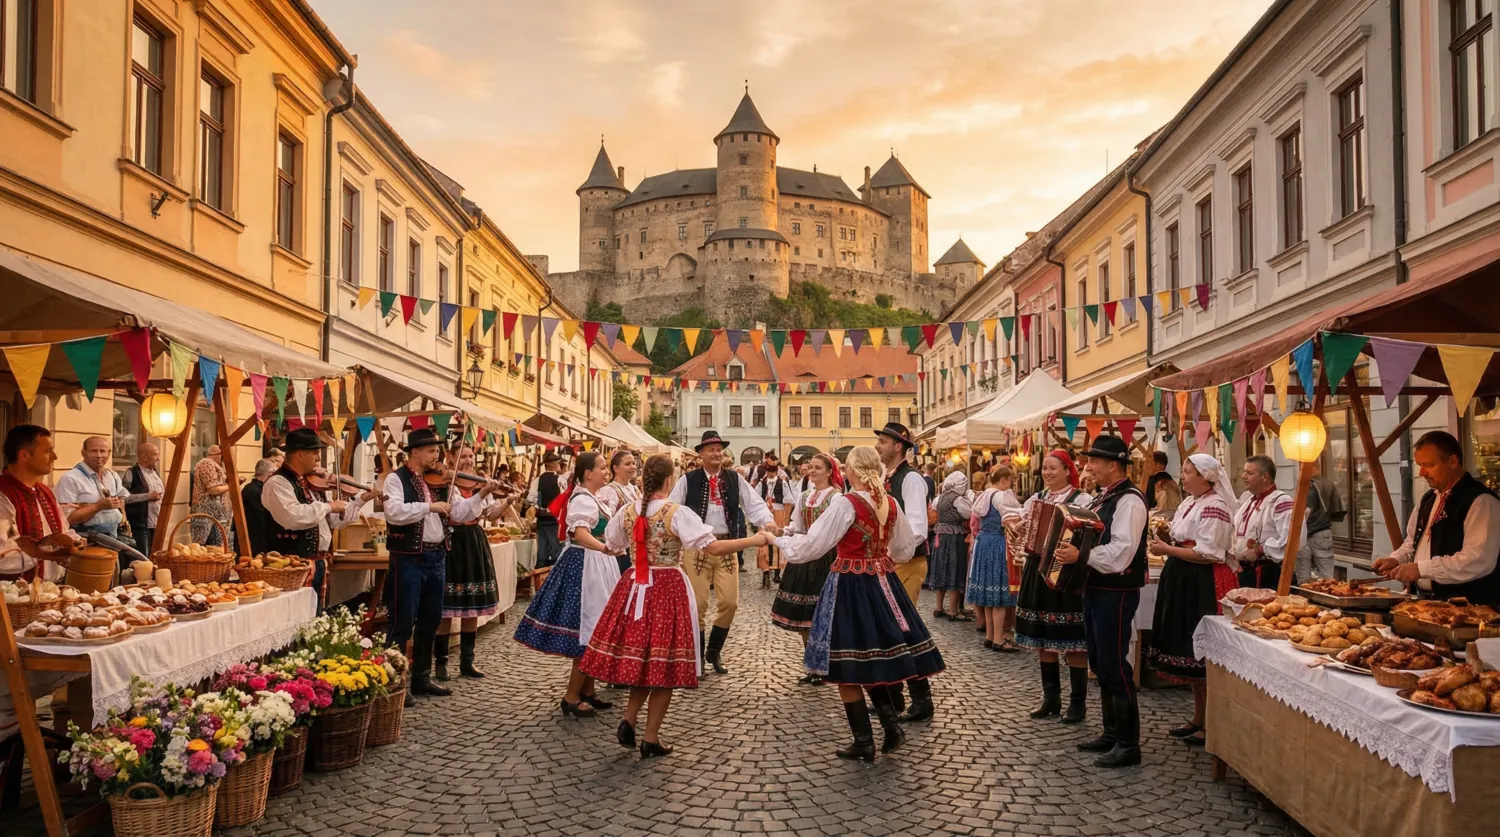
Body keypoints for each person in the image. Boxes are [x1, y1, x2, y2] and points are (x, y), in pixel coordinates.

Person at [583, 454, 769, 758]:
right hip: (667, 588)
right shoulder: (676, 513)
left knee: (643, 659)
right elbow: (713, 546)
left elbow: (611, 546)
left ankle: (629, 720)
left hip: (635, 586)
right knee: (664, 664)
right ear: (670, 480)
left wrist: (637, 550)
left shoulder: (629, 511)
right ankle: (651, 738)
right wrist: (752, 541)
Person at [774, 445, 945, 761]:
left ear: (852, 471)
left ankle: (865, 740)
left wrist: (777, 540)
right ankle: (891, 727)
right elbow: (906, 549)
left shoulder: (846, 503)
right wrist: (880, 559)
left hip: (850, 585)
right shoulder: (889, 503)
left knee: (844, 663)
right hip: (883, 583)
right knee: (869, 660)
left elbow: (810, 547)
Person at [1056, 435, 1149, 768]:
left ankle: (1128, 743)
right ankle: (1112, 733)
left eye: (1094, 461)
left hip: (1117, 591)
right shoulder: (1105, 497)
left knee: (1114, 664)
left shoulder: (1130, 501)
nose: (1089, 466)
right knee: (1099, 661)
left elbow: (1122, 553)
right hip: (1096, 588)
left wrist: (1079, 555)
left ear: (1113, 464)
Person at [382, 429, 491, 706]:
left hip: (437, 557)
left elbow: (460, 512)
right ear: (415, 452)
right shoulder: (396, 479)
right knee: (402, 622)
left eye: (437, 451)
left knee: (430, 621)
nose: (437, 456)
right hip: (408, 558)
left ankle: (421, 676)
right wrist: (429, 507)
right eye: (431, 451)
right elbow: (393, 512)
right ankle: (394, 682)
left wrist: (480, 495)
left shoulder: (444, 481)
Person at [515, 452, 624, 716]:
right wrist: (605, 548)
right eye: (601, 468)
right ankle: (571, 696)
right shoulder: (582, 500)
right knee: (589, 630)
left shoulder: (592, 498)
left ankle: (588, 690)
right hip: (586, 566)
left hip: (596, 564)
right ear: (587, 473)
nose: (605, 472)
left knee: (593, 628)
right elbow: (579, 532)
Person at [666, 430, 777, 675]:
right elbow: (671, 508)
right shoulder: (688, 479)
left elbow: (754, 504)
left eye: (719, 449)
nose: (716, 453)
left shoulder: (734, 479)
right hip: (697, 548)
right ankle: (698, 661)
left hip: (727, 546)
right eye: (711, 449)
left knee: (729, 603)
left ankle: (713, 652)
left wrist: (767, 521)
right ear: (701, 453)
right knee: (698, 604)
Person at [1147, 453, 1238, 747]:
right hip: (1184, 578)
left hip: (1203, 582)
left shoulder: (1215, 506)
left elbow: (1209, 553)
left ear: (1205, 477)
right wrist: (1166, 541)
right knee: (1190, 650)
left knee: (1203, 655)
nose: (1182, 477)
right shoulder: (1190, 503)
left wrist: (1168, 551)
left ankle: (1212, 722)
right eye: (1183, 471)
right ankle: (1199, 717)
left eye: (1187, 472)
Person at [1006, 450, 1092, 724]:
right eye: (1045, 468)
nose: (1048, 473)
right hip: (1037, 568)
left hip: (1067, 573)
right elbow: (1017, 521)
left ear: (1068, 470)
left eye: (1053, 468)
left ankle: (1078, 703)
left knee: (1074, 640)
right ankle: (1050, 698)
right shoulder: (1037, 499)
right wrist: (1015, 526)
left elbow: (1090, 536)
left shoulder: (1083, 499)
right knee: (1044, 635)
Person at [1375, 430, 1500, 605]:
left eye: (1428, 465)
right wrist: (1397, 559)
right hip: (1428, 603)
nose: (1421, 472)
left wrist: (1421, 569)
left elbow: (1477, 559)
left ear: (1453, 462)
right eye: (1419, 465)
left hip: (1469, 609)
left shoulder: (1481, 502)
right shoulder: (1429, 499)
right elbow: (1413, 543)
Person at [434, 445, 516, 682]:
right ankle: (441, 662)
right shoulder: (447, 484)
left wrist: (507, 502)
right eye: (464, 456)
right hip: (453, 540)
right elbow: (458, 514)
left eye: (471, 456)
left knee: (472, 602)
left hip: (474, 540)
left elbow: (490, 514)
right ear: (451, 457)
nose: (469, 460)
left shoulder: (478, 483)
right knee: (447, 607)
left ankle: (467, 661)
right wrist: (481, 493)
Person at [260, 430, 369, 603]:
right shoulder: (278, 483)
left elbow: (334, 521)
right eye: (315, 452)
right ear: (300, 454)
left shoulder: (314, 484)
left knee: (315, 618)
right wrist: (328, 506)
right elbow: (293, 517)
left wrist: (359, 501)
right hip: (291, 566)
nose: (319, 458)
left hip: (318, 562)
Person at [874, 422, 935, 723]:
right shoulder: (887, 476)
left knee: (904, 629)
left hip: (906, 561)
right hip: (889, 562)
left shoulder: (910, 480)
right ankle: (894, 697)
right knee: (890, 629)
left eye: (883, 442)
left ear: (898, 446)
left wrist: (893, 553)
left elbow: (918, 529)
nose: (878, 446)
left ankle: (922, 699)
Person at [770, 453, 844, 685]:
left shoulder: (836, 497)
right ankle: (813, 665)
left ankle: (826, 664)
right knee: (805, 614)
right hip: (805, 557)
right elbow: (798, 526)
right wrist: (786, 532)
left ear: (830, 471)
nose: (812, 471)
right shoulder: (804, 496)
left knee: (824, 613)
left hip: (828, 557)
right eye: (810, 467)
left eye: (817, 468)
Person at [0, 425, 83, 581]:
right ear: (24, 455)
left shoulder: (45, 492)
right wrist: (46, 554)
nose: (54, 457)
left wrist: (75, 543)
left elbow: (63, 531)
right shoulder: (3, 494)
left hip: (52, 590)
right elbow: (3, 553)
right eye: (47, 451)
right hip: (15, 596)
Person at [967, 465, 1021, 652]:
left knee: (989, 594)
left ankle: (990, 636)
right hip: (997, 543)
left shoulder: (984, 494)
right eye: (1010, 480)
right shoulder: (1001, 495)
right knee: (999, 593)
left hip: (983, 542)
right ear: (1004, 479)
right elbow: (1012, 519)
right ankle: (999, 638)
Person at [1232, 455, 1302, 590]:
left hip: (1268, 574)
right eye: (1244, 472)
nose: (1243, 476)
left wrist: (1260, 551)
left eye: (1250, 473)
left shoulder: (1281, 501)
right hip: (1246, 572)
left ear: (1265, 477)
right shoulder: (1247, 500)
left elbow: (1293, 540)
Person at [55, 436, 127, 544]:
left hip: (114, 538)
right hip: (87, 542)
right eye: (93, 451)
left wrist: (123, 518)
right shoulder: (70, 479)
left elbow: (121, 498)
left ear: (109, 453)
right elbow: (66, 520)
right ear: (83, 453)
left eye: (102, 451)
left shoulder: (112, 475)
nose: (98, 455)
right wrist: (98, 506)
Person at [928, 470, 974, 621]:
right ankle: (953, 610)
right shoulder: (957, 499)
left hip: (940, 537)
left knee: (941, 570)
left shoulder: (940, 498)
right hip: (954, 538)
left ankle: (938, 607)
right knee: (955, 571)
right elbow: (968, 513)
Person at [1296, 459, 1343, 582]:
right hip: (1325, 532)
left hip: (1310, 532)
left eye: (1302, 469)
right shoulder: (1328, 483)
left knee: (1304, 577)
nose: (1300, 473)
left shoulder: (1310, 486)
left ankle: (1305, 599)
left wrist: (1296, 530)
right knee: (1327, 576)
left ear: (1312, 468)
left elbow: (1305, 512)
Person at [597, 450, 641, 575]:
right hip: (620, 548)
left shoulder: (634, 489)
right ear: (615, 468)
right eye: (627, 464)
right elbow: (606, 520)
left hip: (634, 545)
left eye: (633, 463)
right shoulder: (609, 490)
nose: (633, 466)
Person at [754, 454, 794, 589]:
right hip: (765, 513)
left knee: (777, 542)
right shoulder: (762, 483)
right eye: (768, 471)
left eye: (772, 471)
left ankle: (777, 571)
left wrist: (785, 516)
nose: (770, 474)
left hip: (778, 513)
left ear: (776, 471)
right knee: (763, 542)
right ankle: (765, 572)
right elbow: (755, 498)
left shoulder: (782, 482)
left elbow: (789, 499)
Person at [121, 442, 164, 557]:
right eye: (155, 455)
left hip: (156, 524)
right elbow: (123, 498)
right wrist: (148, 496)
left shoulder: (155, 473)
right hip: (140, 525)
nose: (158, 458)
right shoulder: (131, 473)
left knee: (154, 555)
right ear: (144, 457)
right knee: (142, 557)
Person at [527, 453, 566, 569]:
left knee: (542, 553)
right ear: (554, 465)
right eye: (559, 463)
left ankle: (541, 579)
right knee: (556, 553)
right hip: (554, 521)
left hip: (541, 521)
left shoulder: (537, 480)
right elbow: (564, 499)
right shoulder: (560, 480)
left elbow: (531, 499)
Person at [190, 445, 232, 547]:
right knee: (207, 548)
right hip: (206, 514)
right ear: (219, 455)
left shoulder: (218, 466)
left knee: (217, 547)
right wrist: (231, 485)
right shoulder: (207, 464)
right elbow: (213, 489)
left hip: (216, 515)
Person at [240, 458, 276, 557]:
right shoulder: (255, 491)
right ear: (270, 474)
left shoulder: (252, 488)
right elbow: (261, 518)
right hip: (254, 543)